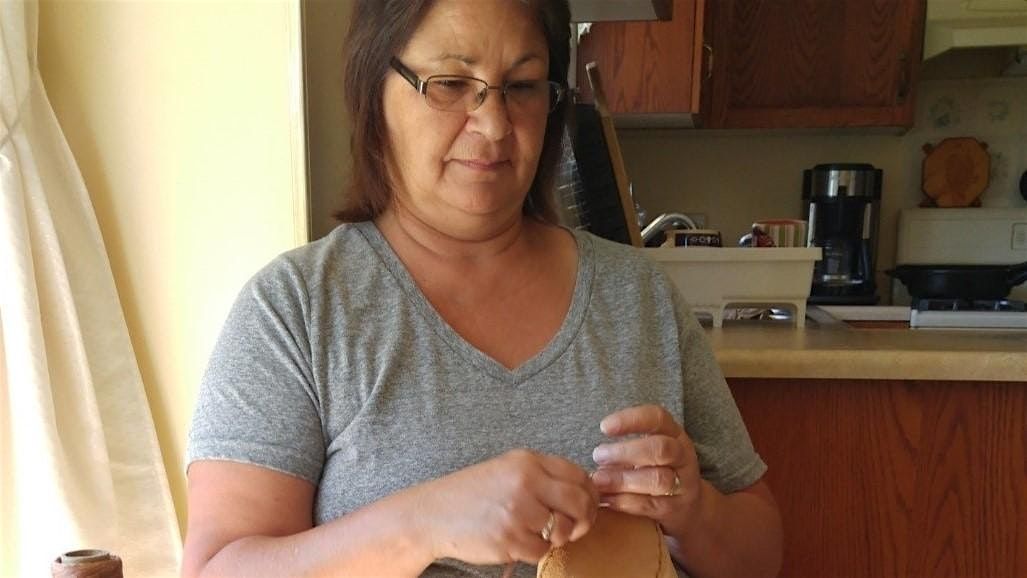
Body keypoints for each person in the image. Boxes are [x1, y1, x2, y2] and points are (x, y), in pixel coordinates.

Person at [182, 1, 783, 576]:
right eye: (448, 83)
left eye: (521, 87)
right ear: (375, 89)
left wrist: (694, 510)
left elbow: (761, 553)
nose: (494, 125)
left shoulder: (641, 297)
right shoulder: (297, 309)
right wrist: (424, 522)